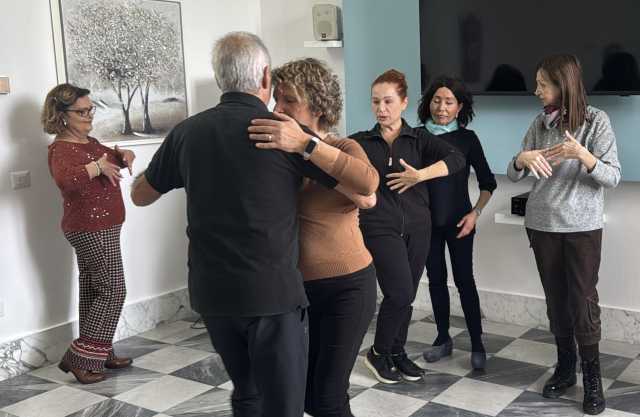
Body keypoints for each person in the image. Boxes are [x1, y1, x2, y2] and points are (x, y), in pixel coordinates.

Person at [131, 33, 352, 417]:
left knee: (247, 394)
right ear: (265, 76)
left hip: (212, 293)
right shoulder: (283, 134)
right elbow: (360, 185)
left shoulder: (187, 132)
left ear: (220, 78)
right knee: (284, 406)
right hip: (271, 295)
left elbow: (141, 195)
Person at [248, 57, 378, 417]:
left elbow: (369, 184)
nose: (278, 108)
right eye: (276, 98)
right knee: (307, 396)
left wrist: (306, 144)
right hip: (297, 292)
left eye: (288, 99)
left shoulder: (345, 147)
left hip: (348, 287)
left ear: (317, 102)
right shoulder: (277, 154)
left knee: (328, 399)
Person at [507, 54, 621, 415]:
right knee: (556, 300)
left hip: (581, 229)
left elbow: (613, 176)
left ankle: (592, 380)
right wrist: (521, 159)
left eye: (543, 83)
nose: (536, 90)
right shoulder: (540, 123)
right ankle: (564, 368)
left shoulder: (596, 121)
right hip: (542, 226)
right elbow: (513, 173)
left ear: (563, 84)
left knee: (582, 301)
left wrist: (582, 154)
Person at [350, 69, 465, 384]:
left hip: (418, 226)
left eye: (388, 101)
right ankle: (378, 352)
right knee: (399, 292)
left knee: (406, 295)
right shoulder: (360, 143)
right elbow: (338, 172)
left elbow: (457, 159)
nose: (381, 108)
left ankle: (396, 354)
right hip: (378, 226)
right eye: (376, 102)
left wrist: (420, 176)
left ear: (403, 103)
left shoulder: (419, 139)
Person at [43, 83, 135, 384]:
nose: (88, 115)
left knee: (95, 289)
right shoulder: (60, 149)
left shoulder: (90, 142)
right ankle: (79, 358)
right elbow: (65, 180)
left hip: (105, 226)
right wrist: (96, 166)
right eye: (81, 112)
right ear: (62, 115)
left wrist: (124, 155)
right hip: (89, 228)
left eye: (90, 109)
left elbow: (111, 158)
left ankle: (100, 352)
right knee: (113, 289)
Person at [417, 76, 497, 370]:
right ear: (428, 104)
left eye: (448, 102)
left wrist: (475, 212)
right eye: (436, 100)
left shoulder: (468, 139)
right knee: (435, 281)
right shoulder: (415, 137)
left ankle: (477, 343)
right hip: (427, 225)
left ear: (459, 106)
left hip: (461, 222)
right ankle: (442, 340)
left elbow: (488, 183)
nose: (441, 107)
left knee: (465, 281)